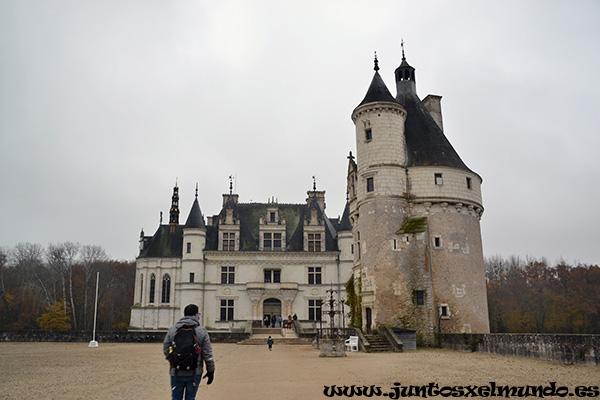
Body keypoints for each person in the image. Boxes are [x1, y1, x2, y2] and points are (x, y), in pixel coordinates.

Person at [163, 304, 215, 400]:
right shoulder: (201, 331)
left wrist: (173, 360)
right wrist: (210, 370)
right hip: (194, 371)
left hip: (176, 371)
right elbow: (207, 354)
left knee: (176, 397)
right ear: (196, 315)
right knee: (191, 397)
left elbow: (166, 349)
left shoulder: (173, 330)